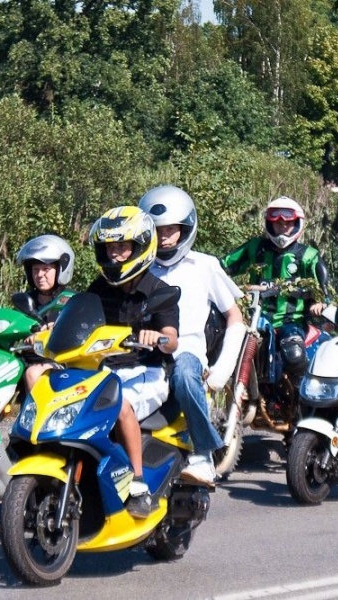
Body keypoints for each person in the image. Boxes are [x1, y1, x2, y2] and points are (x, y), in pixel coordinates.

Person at [138, 184, 246, 487]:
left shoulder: (205, 265)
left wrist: (222, 370)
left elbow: (235, 317)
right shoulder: (140, 267)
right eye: (157, 230)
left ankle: (203, 456)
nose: (164, 237)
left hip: (188, 351)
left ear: (185, 229)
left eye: (171, 229)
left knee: (185, 375)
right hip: (144, 351)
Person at [87, 206, 179, 517]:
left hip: (147, 371)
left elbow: (172, 338)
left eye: (122, 247)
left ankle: (138, 485)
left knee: (119, 405)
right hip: (105, 370)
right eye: (109, 248)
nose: (114, 254)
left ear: (140, 247)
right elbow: (79, 320)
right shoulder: (98, 289)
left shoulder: (159, 291)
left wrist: (159, 337)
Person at [221, 196, 330, 382]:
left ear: (297, 224)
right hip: (254, 317)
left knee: (294, 352)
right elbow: (224, 266)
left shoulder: (308, 256)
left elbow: (323, 289)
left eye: (288, 223)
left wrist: (319, 303)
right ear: (269, 224)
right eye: (278, 224)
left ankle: (301, 392)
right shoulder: (255, 248)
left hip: (292, 321)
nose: (283, 228)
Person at [15, 234, 76, 391]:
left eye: (46, 269)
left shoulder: (72, 301)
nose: (40, 275)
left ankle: (36, 408)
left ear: (60, 270)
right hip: (26, 360)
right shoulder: (25, 300)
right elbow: (13, 323)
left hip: (61, 363)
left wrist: (53, 331)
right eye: (35, 269)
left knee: (33, 373)